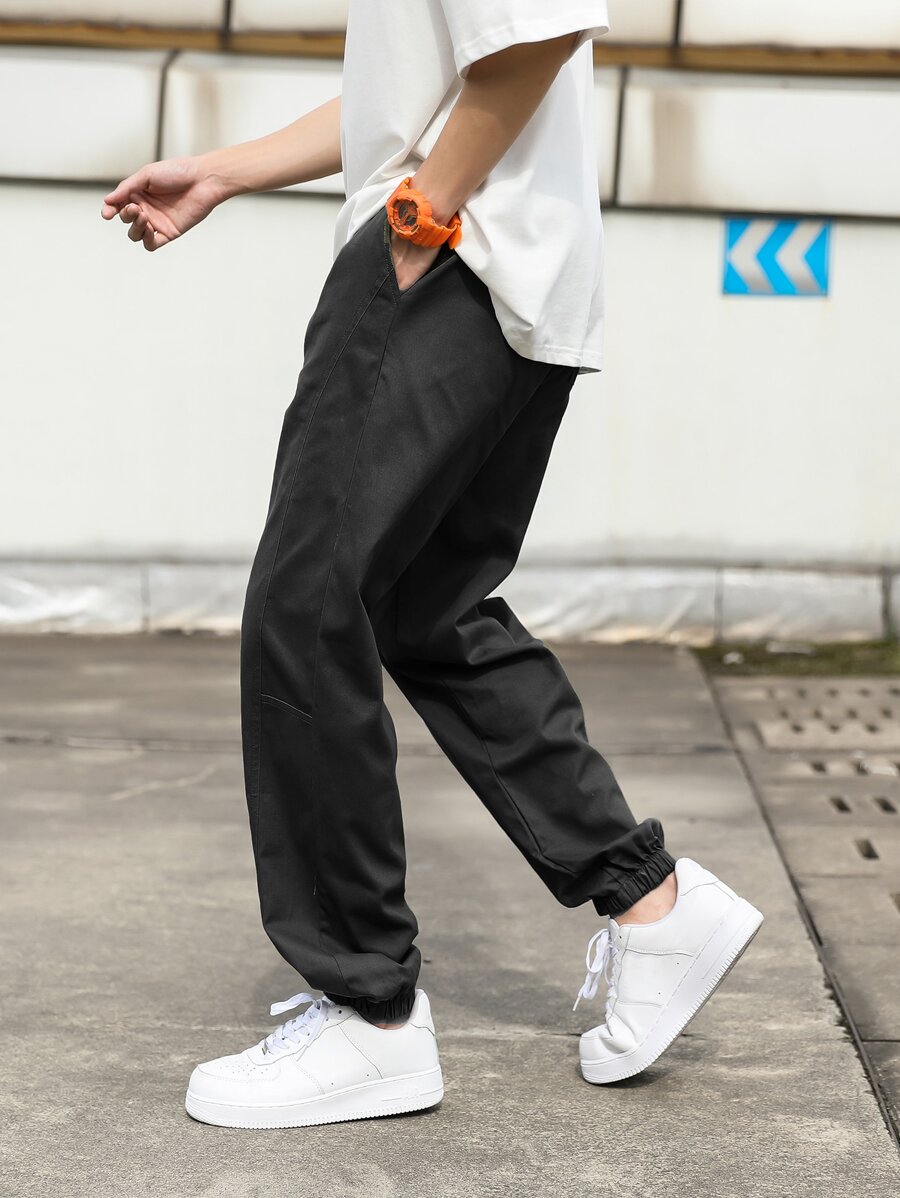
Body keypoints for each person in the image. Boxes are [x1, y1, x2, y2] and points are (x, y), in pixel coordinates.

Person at [102, 1, 763, 1130]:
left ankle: (369, 1012)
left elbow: (535, 31)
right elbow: (418, 92)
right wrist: (224, 169)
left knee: (308, 604)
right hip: (518, 275)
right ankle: (649, 902)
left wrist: (423, 210)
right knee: (425, 607)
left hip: (451, 261)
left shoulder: (437, 226)